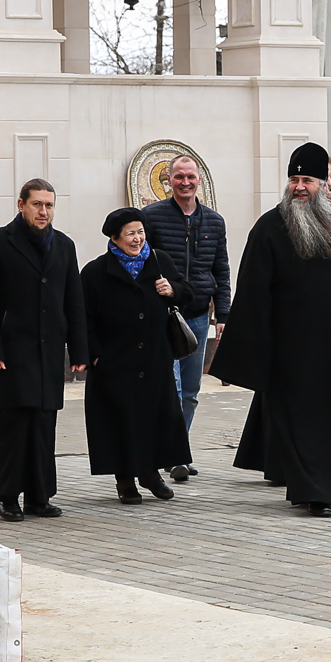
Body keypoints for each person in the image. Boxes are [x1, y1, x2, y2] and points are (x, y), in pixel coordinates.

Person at [211, 142, 331, 517]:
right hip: (294, 347)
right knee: (305, 420)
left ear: (324, 184)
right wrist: (252, 348)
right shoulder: (269, 227)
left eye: (306, 179)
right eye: (294, 179)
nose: (299, 187)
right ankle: (318, 492)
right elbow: (252, 290)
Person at [0, 179, 89, 522]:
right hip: (11, 350)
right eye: (37, 204)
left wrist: (79, 350)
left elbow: (74, 301)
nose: (43, 212)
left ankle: (40, 496)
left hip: (49, 349)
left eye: (49, 205)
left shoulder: (64, 246)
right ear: (21, 204)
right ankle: (8, 495)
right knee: (14, 423)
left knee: (43, 423)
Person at [82, 208, 195, 504]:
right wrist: (95, 357)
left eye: (140, 231)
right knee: (122, 421)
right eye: (131, 233)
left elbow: (188, 293)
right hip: (115, 362)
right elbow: (84, 320)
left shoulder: (159, 261)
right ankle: (125, 481)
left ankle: (150, 474)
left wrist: (172, 290)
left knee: (155, 417)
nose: (137, 238)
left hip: (155, 359)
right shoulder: (96, 272)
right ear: (115, 237)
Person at [140, 154, 231, 482]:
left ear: (199, 180)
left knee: (191, 391)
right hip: (162, 317)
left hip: (196, 317)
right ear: (169, 181)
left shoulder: (215, 222)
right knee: (171, 388)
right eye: (179, 177)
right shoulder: (151, 218)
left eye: (190, 176)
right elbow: (141, 263)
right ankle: (171, 453)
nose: (185, 182)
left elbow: (221, 268)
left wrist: (223, 313)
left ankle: (179, 448)